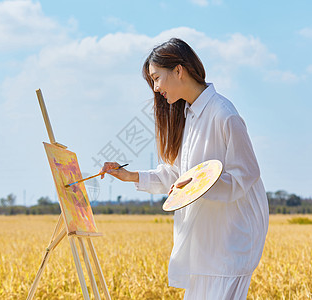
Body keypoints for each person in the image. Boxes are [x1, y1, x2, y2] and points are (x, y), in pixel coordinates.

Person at [99, 38, 269, 299]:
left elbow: (245, 175)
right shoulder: (188, 117)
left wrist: (199, 186)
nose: (155, 88)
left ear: (179, 70)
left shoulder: (224, 114)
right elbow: (177, 175)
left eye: (157, 78)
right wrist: (130, 176)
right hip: (202, 245)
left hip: (229, 244)